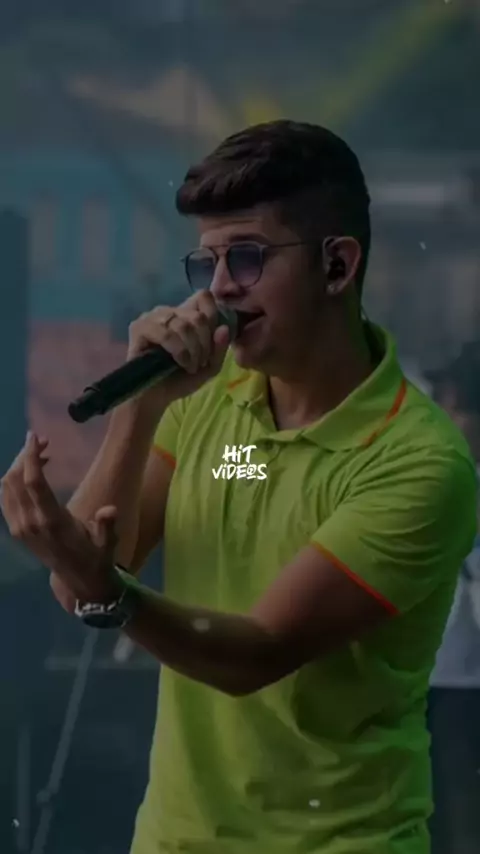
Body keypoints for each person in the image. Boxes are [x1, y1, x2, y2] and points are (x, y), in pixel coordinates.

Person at [0, 120, 477, 854]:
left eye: (247, 257)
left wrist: (108, 591)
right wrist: (142, 404)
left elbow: (255, 653)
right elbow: (84, 579)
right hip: (175, 839)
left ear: (337, 266)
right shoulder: (206, 399)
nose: (220, 288)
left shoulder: (419, 461)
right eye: (209, 262)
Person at [426, 343, 480, 854]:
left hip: (463, 688)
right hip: (425, 679)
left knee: (462, 820)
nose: (447, 418)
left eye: (456, 407)